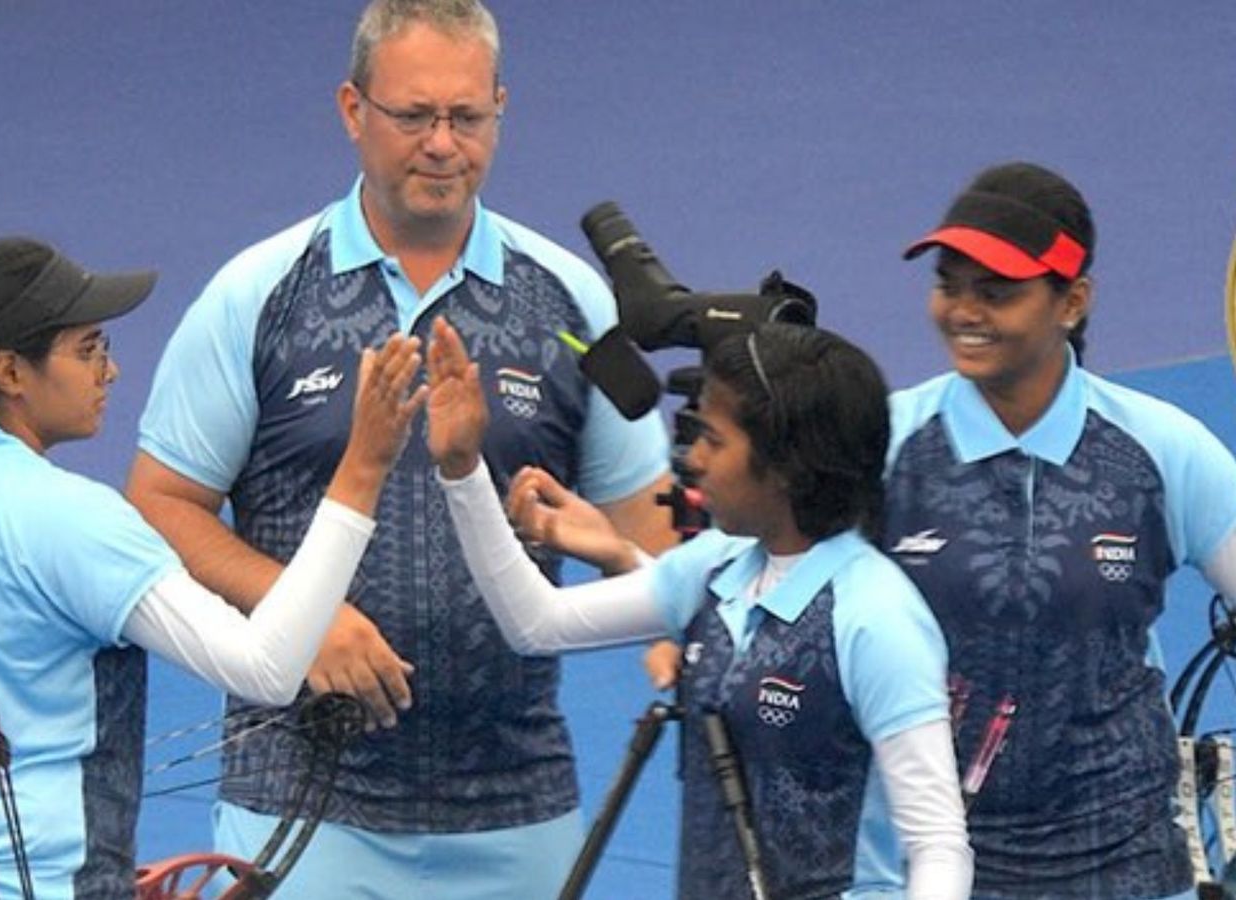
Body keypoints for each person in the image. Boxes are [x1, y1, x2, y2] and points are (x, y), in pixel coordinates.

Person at [123, 0, 675, 893]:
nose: (443, 144)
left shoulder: (574, 308)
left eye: (467, 116)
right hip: (299, 807)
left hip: (520, 805)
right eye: (413, 116)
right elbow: (159, 503)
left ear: (501, 108)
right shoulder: (258, 296)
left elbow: (650, 526)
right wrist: (296, 615)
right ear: (353, 112)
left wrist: (656, 607)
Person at [0, 237, 428, 899]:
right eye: (87, 350)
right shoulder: (70, 517)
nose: (109, 371)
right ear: (10, 372)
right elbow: (268, 667)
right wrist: (361, 471)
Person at [425, 315, 973, 898]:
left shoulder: (877, 617)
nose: (693, 460)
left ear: (787, 466)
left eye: (714, 440)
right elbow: (537, 624)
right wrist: (463, 470)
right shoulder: (715, 565)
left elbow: (937, 844)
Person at [882, 161, 1236, 898]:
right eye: (950, 284)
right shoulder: (883, 447)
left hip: (1125, 863)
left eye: (997, 291)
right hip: (931, 868)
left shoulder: (1163, 450)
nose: (964, 311)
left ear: (1071, 301)